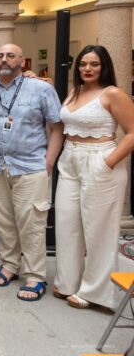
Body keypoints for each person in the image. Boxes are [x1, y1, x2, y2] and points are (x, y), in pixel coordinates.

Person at [0, 43, 63, 302]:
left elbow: (56, 127)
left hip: (30, 166)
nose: (4, 60)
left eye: (10, 56)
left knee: (31, 221)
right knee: (4, 220)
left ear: (22, 61)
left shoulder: (42, 89)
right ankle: (10, 264)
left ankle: (35, 275)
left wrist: (48, 162)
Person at [54, 45, 134, 309]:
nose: (87, 69)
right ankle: (67, 282)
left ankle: (94, 292)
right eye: (83, 64)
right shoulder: (75, 91)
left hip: (99, 158)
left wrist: (108, 162)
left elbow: (132, 131)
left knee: (98, 229)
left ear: (104, 67)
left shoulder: (112, 93)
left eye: (94, 64)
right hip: (70, 159)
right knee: (66, 223)